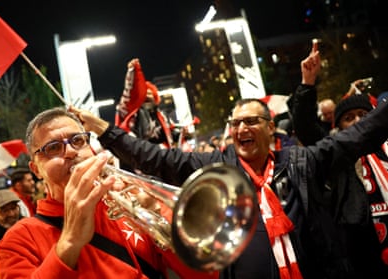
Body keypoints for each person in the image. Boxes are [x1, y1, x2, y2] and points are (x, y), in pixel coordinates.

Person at [72, 84, 388, 279]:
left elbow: (357, 136)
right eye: (234, 123)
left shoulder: (302, 162)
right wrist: (104, 129)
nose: (240, 129)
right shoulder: (215, 167)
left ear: (270, 128)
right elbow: (157, 159)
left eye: (250, 121)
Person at [0, 108, 218, 279]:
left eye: (78, 141)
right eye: (53, 147)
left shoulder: (127, 206)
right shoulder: (18, 241)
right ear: (37, 170)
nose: (71, 152)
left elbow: (206, 275)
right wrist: (69, 242)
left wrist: (159, 215)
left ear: (91, 149)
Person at [290, 41, 388, 276]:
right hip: (364, 254)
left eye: (364, 116)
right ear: (338, 127)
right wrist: (307, 82)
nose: (358, 122)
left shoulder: (386, 149)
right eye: (349, 118)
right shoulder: (335, 155)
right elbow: (304, 126)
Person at [115, 58, 176, 149]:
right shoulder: (133, 114)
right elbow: (127, 98)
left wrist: (181, 134)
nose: (147, 96)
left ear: (155, 97)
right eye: (144, 94)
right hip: (141, 156)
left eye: (150, 93)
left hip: (162, 157)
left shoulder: (162, 116)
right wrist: (131, 73)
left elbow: (169, 134)